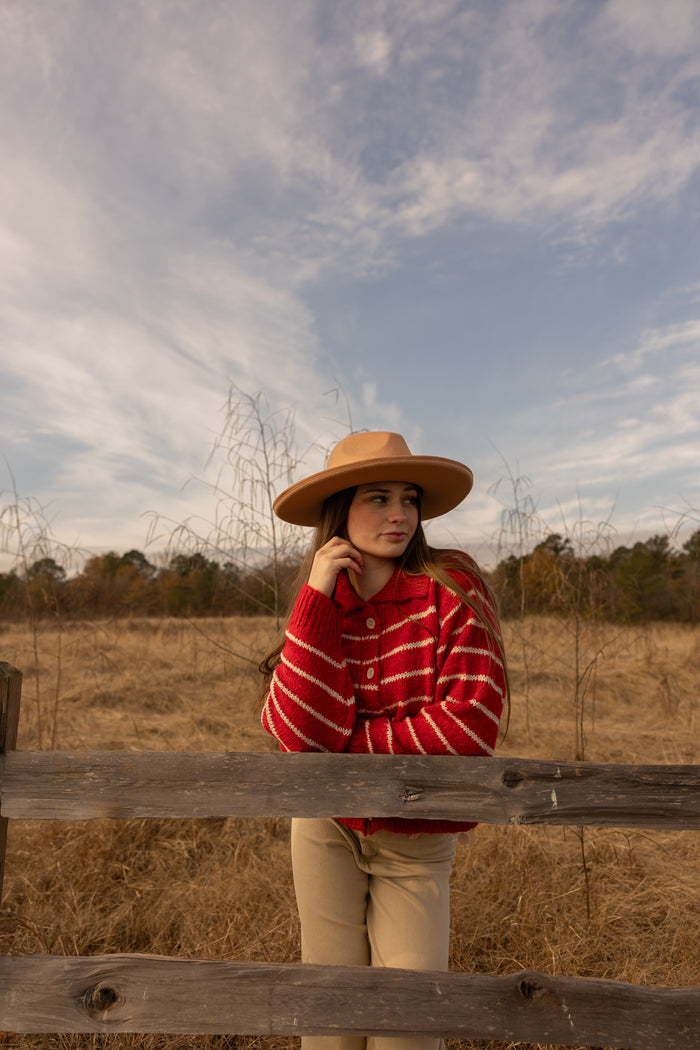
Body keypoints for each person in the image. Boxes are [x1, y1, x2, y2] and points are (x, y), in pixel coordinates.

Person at [259, 431, 508, 1050]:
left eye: (409, 499)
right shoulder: (324, 601)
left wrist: (342, 750)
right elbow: (296, 734)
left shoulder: (452, 586)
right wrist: (315, 597)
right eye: (378, 498)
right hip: (326, 827)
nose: (400, 515)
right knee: (330, 1017)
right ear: (340, 510)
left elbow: (469, 728)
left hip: (416, 834)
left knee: (409, 1024)